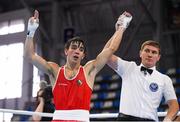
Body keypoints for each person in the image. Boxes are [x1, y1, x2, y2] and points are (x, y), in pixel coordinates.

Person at [24, 10, 132, 121]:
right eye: (74, 48)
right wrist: (31, 31)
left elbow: (110, 49)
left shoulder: (88, 70)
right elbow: (29, 56)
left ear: (83, 55)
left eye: (80, 49)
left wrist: (121, 28)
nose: (77, 51)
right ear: (66, 51)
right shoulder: (55, 70)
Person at [106, 40, 179, 121]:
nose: (150, 55)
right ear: (140, 53)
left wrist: (167, 120)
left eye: (154, 52)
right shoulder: (128, 68)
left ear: (158, 57)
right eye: (147, 51)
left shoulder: (164, 79)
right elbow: (106, 55)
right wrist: (119, 30)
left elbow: (174, 105)